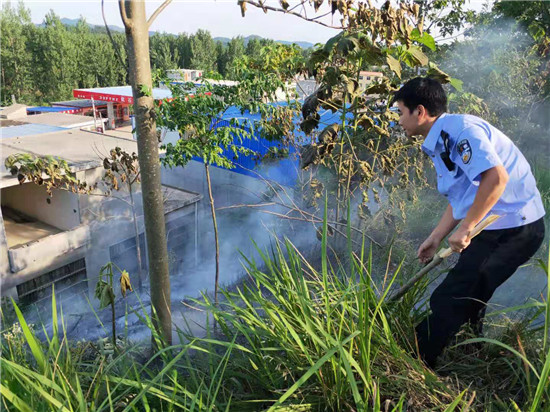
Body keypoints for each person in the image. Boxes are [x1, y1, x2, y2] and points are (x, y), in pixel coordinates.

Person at [392, 77, 546, 368]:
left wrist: (465, 229)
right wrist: (437, 236)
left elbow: (496, 178)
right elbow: (464, 194)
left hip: (515, 228)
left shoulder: (462, 132)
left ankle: (413, 363)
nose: (399, 121)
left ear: (420, 111)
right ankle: (471, 349)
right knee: (472, 292)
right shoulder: (443, 139)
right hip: (498, 225)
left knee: (452, 296)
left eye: (400, 112)